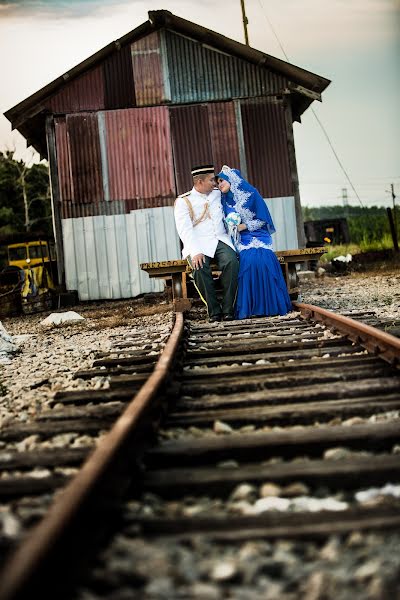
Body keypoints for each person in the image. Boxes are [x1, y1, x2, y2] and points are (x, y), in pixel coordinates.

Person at [216, 164, 292, 319]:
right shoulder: (223, 201)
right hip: (241, 238)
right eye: (217, 183)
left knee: (265, 260)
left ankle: (271, 305)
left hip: (259, 233)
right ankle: (251, 308)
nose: (219, 185)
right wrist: (234, 228)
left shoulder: (252, 194)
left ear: (232, 180)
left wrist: (243, 226)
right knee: (249, 261)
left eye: (221, 181)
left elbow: (263, 220)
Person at [174, 165, 239, 322]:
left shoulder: (218, 194)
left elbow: (237, 191)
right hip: (197, 243)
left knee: (232, 262)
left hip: (220, 239)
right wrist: (195, 251)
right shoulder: (184, 201)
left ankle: (228, 309)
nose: (215, 183)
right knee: (199, 267)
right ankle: (214, 311)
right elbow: (185, 230)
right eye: (211, 180)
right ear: (200, 182)